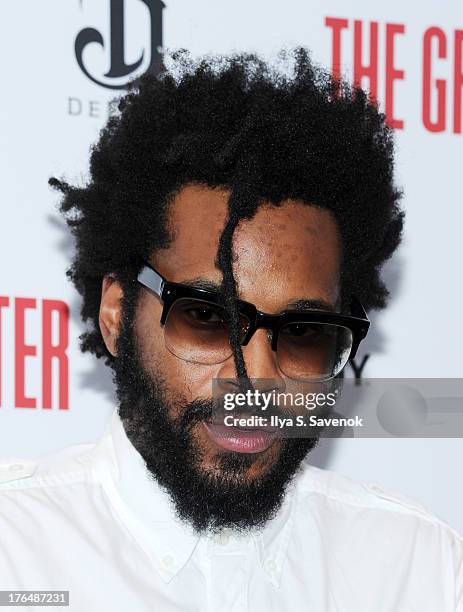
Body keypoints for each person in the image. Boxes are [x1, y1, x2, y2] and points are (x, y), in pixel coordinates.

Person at [0, 48, 461, 611]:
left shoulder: (416, 570)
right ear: (117, 313)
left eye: (303, 332)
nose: (258, 380)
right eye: (208, 318)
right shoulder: (16, 553)